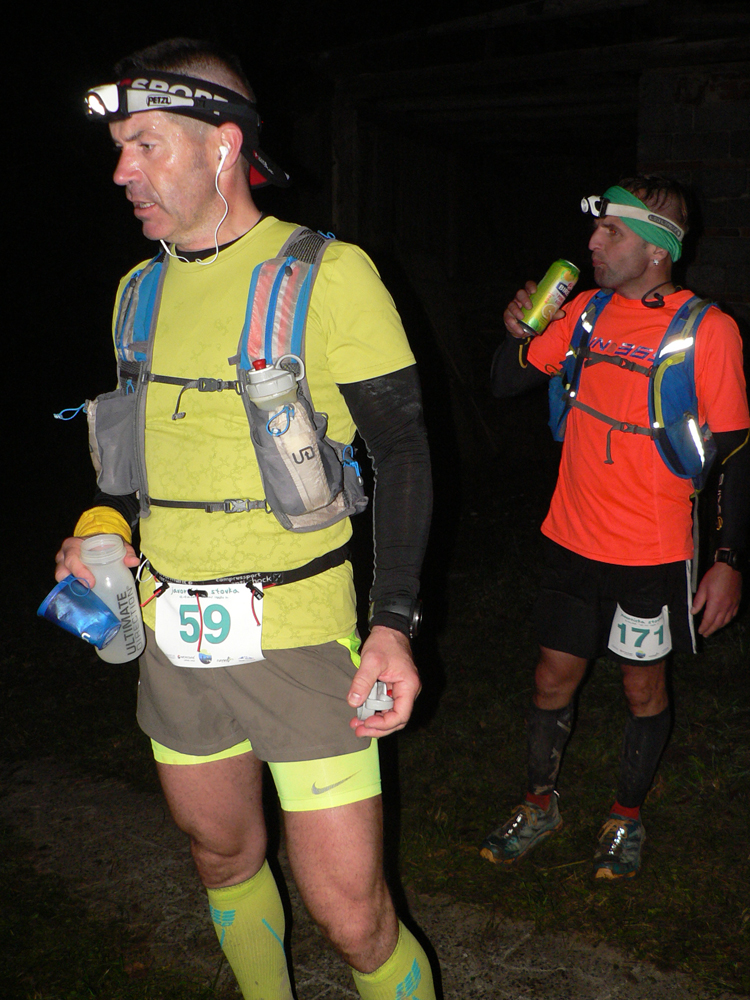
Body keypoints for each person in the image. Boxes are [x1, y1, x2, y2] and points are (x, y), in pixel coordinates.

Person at [55, 38, 436, 999]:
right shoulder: (137, 292)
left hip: (300, 637)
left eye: (145, 144)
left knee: (353, 918)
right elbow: (135, 472)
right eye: (119, 147)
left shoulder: (331, 274)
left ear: (223, 146)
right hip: (168, 637)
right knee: (220, 857)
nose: (121, 170)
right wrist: (100, 529)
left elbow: (404, 453)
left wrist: (393, 624)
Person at [482, 176, 749, 880]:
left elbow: (736, 454)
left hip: (651, 555)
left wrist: (727, 560)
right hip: (571, 540)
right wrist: (519, 332)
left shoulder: (708, 331)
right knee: (551, 680)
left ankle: (625, 816)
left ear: (658, 250)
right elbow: (505, 381)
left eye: (612, 233)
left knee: (642, 690)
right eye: (597, 229)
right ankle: (539, 803)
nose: (593, 243)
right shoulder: (585, 312)